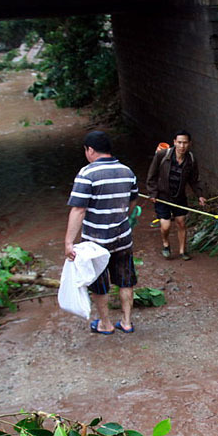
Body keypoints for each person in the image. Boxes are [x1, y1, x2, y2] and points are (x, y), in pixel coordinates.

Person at [64, 130, 139, 334]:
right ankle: (126, 321)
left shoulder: (87, 173)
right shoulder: (127, 171)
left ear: (90, 150)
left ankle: (105, 324)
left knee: (100, 283)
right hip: (123, 237)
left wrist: (69, 242)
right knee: (126, 280)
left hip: (95, 242)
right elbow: (132, 202)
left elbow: (79, 209)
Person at [145, 130, 206, 260]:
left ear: (189, 143)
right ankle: (166, 244)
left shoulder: (191, 160)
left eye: (185, 143)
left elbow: (194, 180)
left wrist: (200, 195)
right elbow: (152, 176)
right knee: (165, 226)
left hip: (179, 197)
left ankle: (183, 251)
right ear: (174, 142)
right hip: (163, 197)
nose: (182, 146)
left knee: (181, 223)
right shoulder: (162, 155)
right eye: (179, 142)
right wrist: (153, 193)